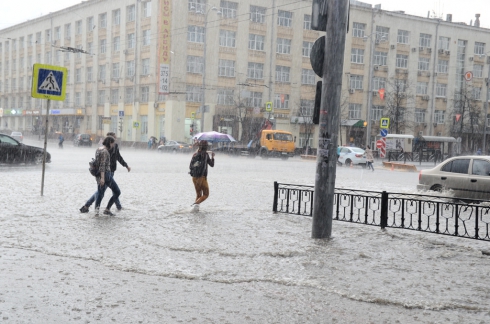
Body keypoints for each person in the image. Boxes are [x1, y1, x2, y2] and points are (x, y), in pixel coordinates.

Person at [80, 132, 131, 213]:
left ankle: (94, 211)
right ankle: (107, 209)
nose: (114, 144)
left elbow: (98, 163)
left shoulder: (98, 149)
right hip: (106, 174)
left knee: (100, 192)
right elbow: (103, 165)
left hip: (99, 174)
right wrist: (103, 178)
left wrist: (125, 165)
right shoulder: (105, 151)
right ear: (110, 142)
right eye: (113, 142)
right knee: (116, 191)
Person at [189, 140, 215, 211]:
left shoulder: (195, 154)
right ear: (206, 147)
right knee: (206, 194)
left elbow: (191, 166)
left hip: (194, 177)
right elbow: (212, 165)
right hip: (202, 177)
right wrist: (212, 157)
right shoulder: (205, 155)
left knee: (198, 195)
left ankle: (195, 210)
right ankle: (194, 204)